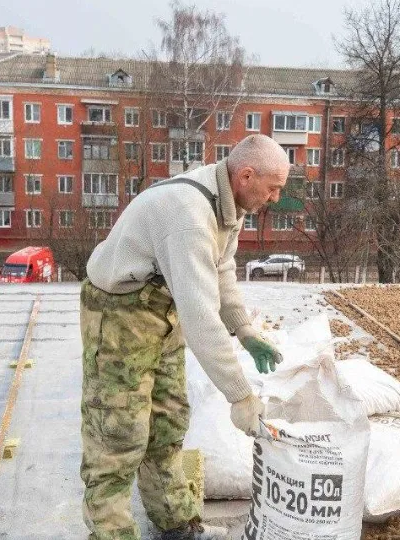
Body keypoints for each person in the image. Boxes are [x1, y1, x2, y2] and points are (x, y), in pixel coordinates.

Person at [80, 134, 290, 540]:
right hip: (119, 311)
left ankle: (175, 524)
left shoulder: (229, 204)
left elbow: (221, 268)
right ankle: (111, 533)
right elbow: (201, 319)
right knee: (118, 432)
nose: (276, 198)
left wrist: (245, 330)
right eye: (273, 188)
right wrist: (241, 396)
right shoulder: (191, 218)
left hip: (160, 304)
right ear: (247, 176)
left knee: (168, 420)